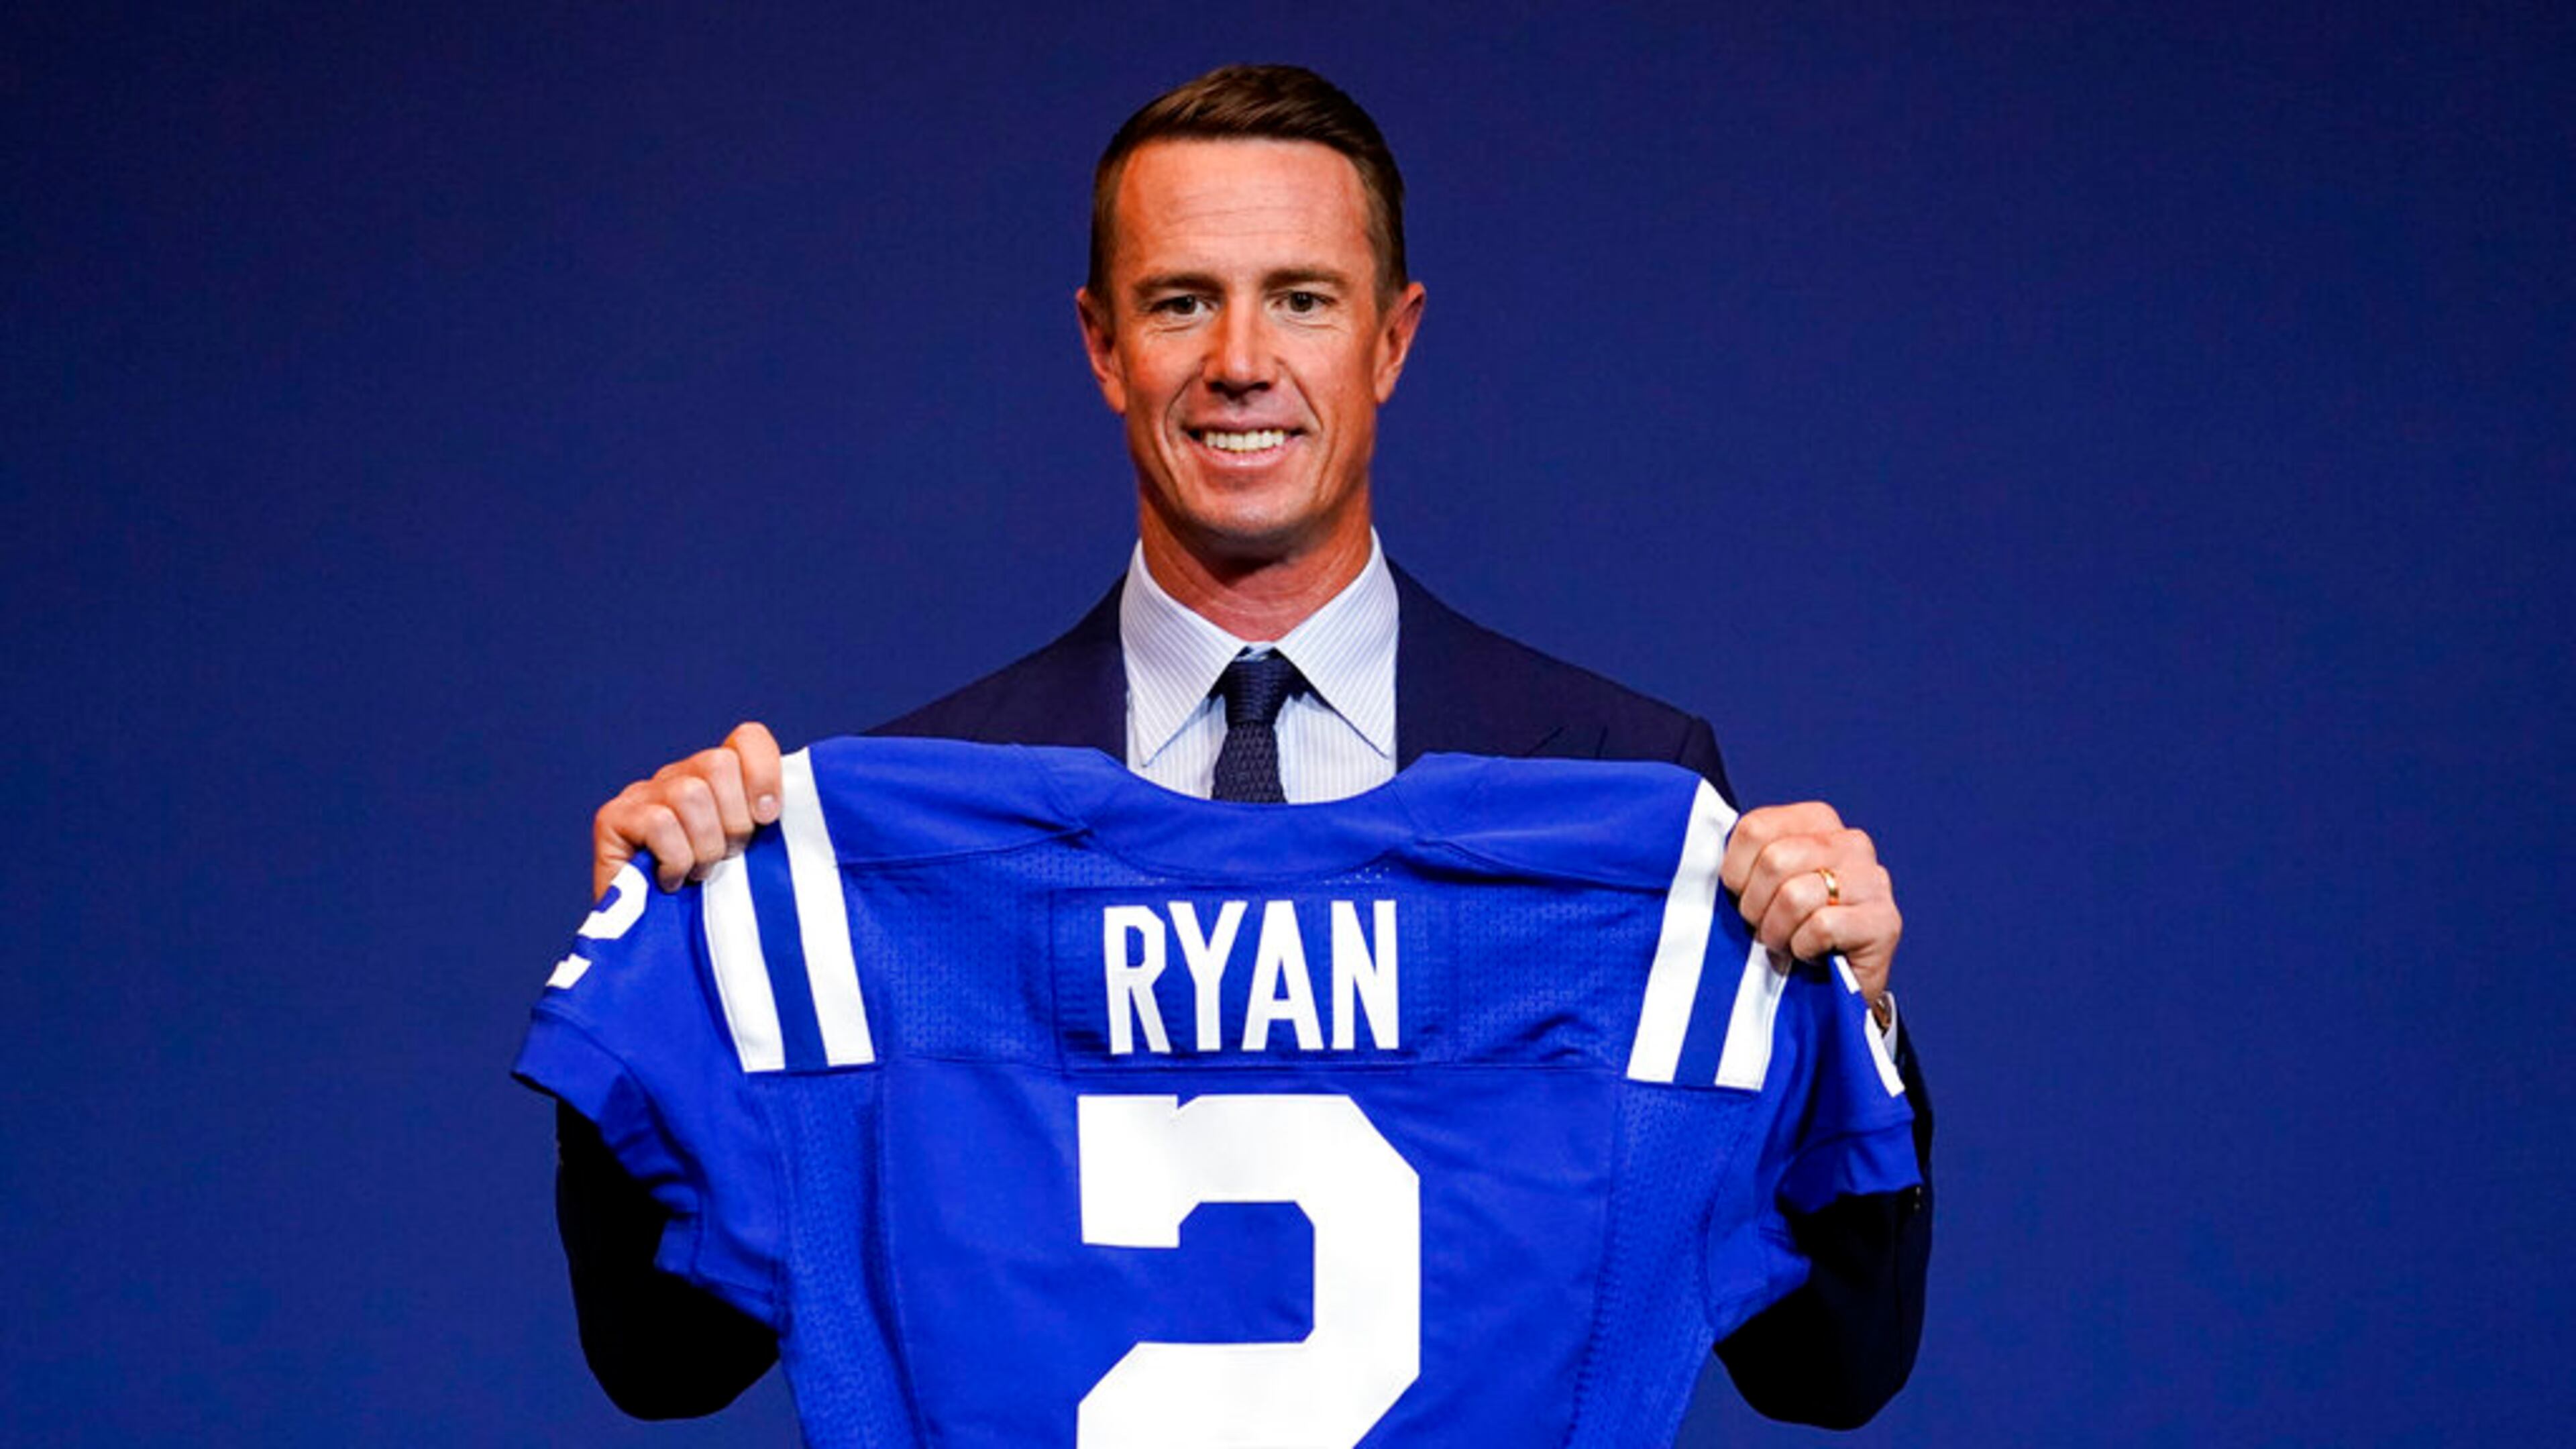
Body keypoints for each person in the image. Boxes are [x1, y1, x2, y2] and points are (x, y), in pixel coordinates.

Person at [556, 64, 1931, 1430]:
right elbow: (662, 1365)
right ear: (1104, 345)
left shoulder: (1621, 795)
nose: (1240, 362)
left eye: (1303, 299)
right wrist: (666, 947)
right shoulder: (902, 847)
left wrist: (1856, 1010)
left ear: (1393, 340)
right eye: (1180, 301)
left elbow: (1833, 1368)